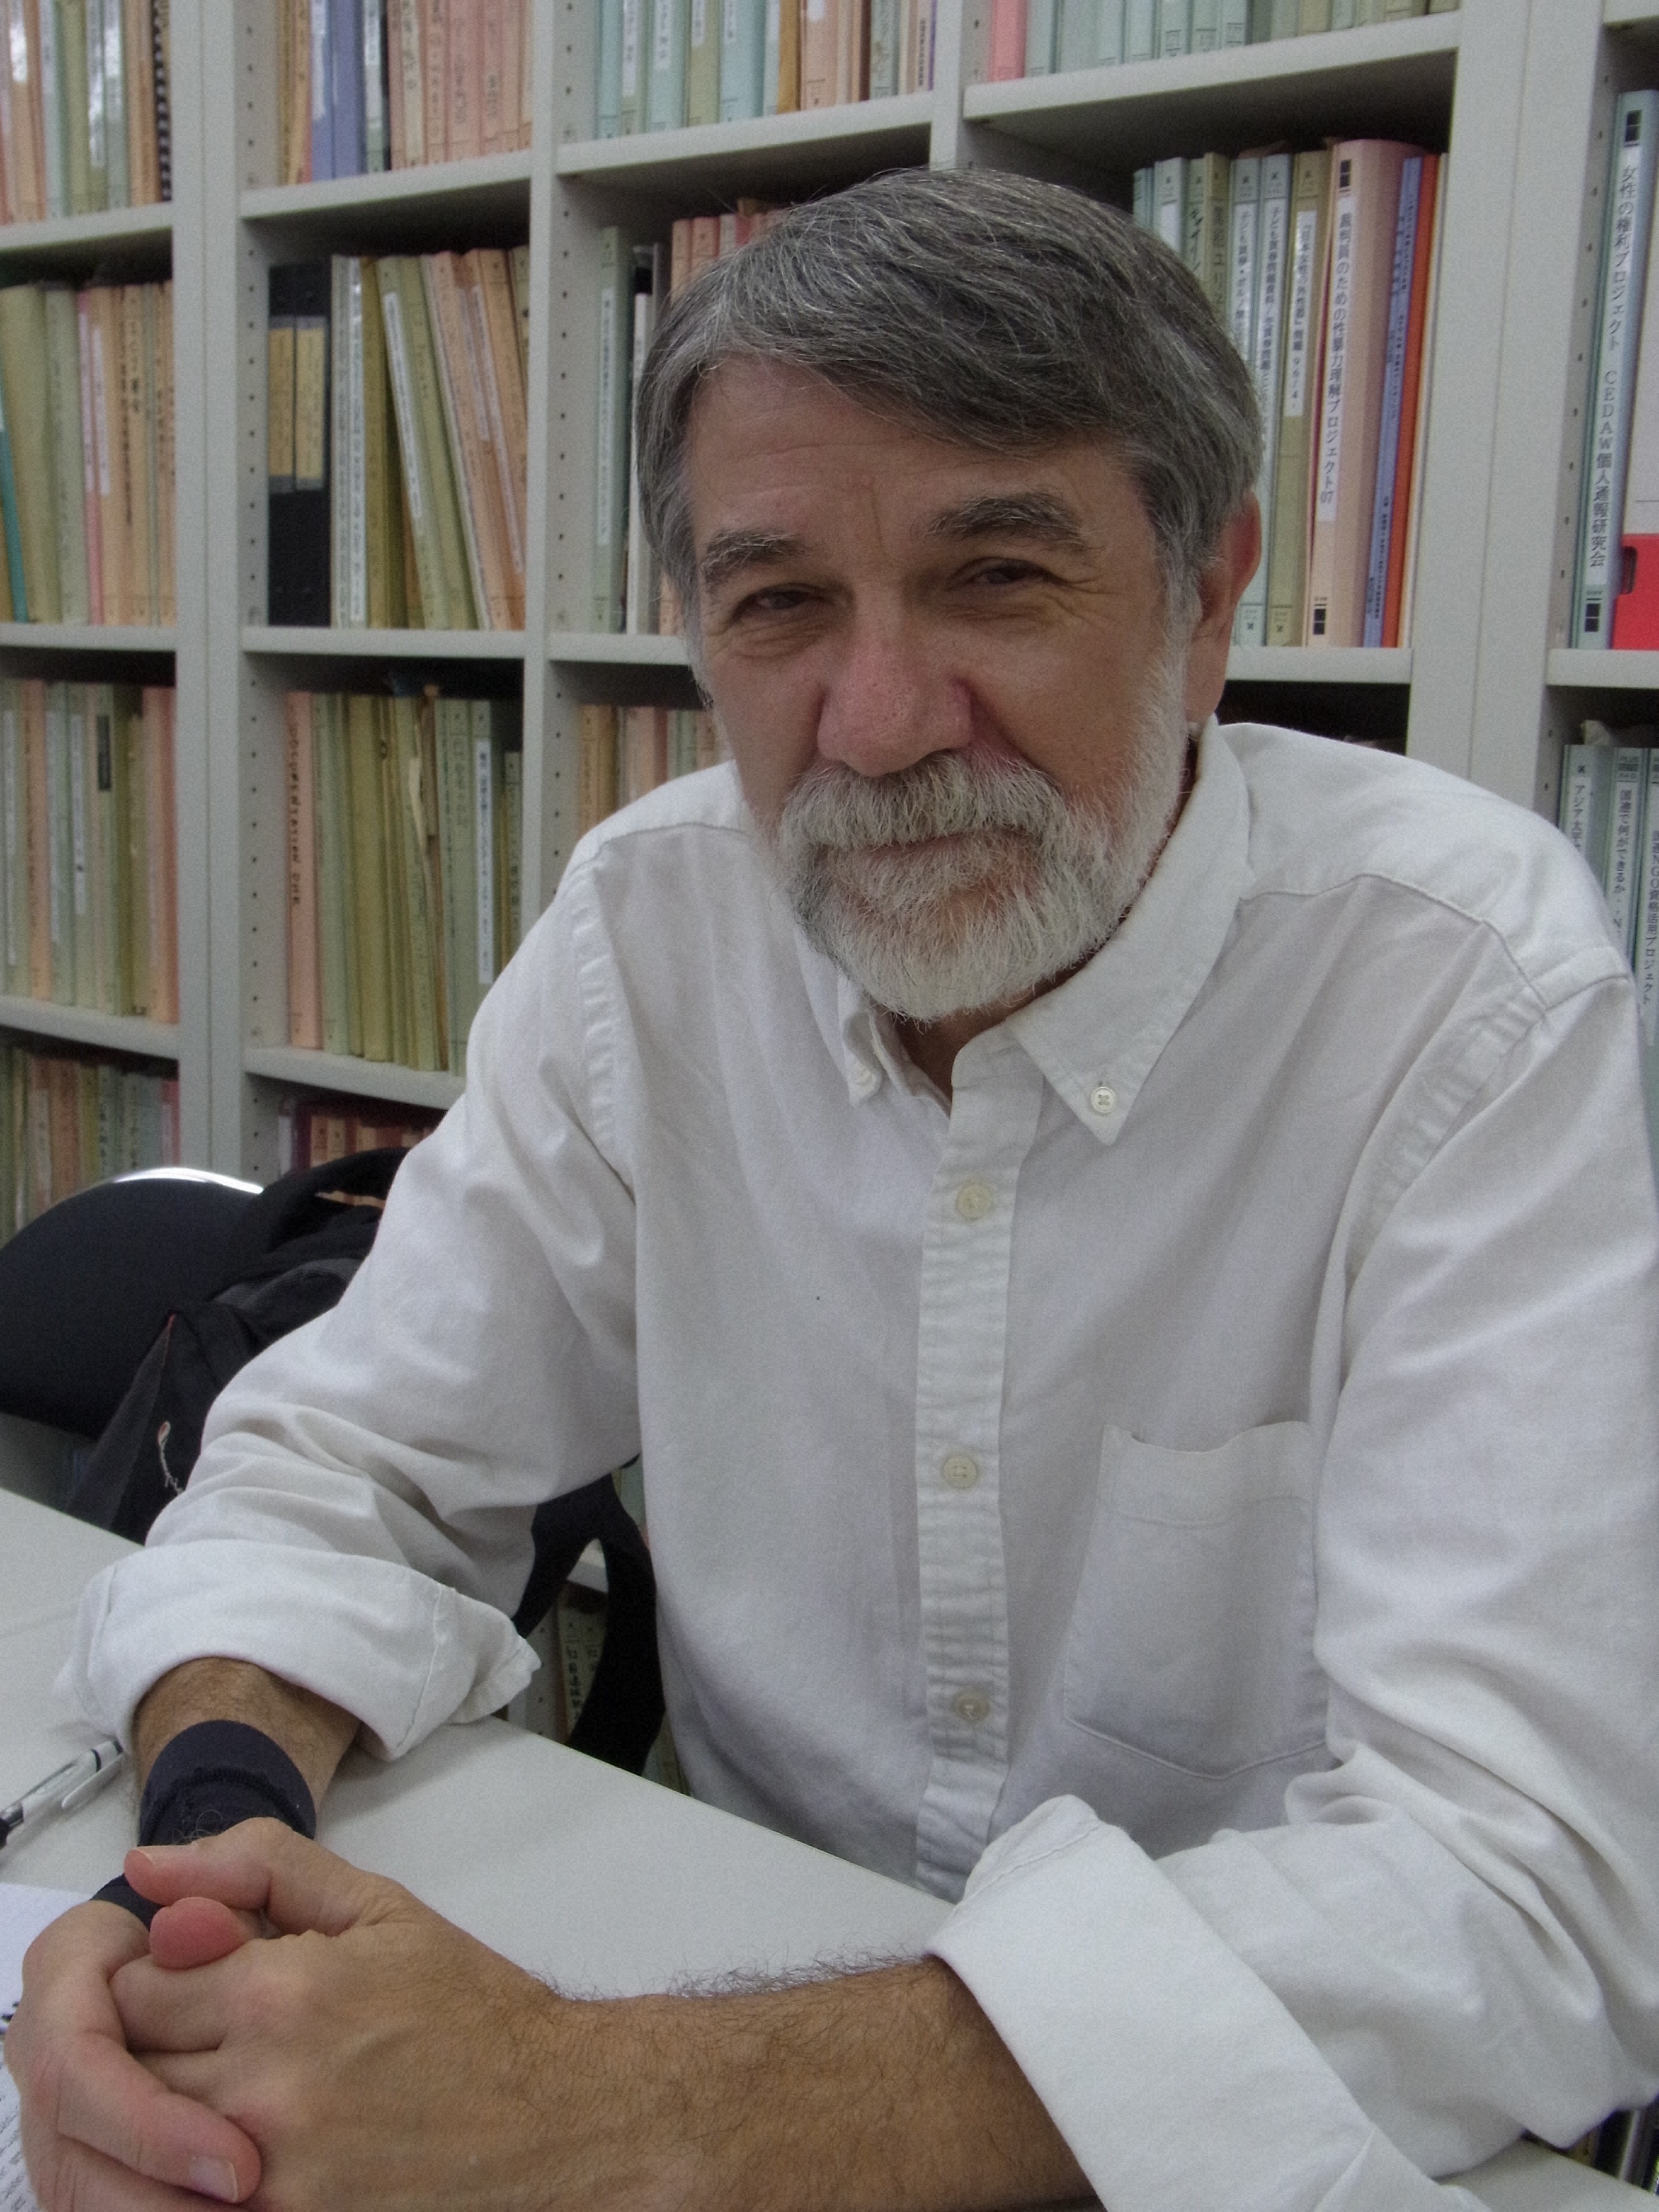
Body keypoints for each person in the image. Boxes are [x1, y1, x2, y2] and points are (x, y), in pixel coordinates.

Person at [13, 168, 1659, 2212]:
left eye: (996, 579)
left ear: (1214, 596)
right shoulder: (651, 931)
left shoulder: (1465, 995)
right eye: (779, 602)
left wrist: (610, 2108)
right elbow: (348, 1467)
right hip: (719, 1959)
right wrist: (211, 1882)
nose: (874, 729)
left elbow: (1521, 1881)